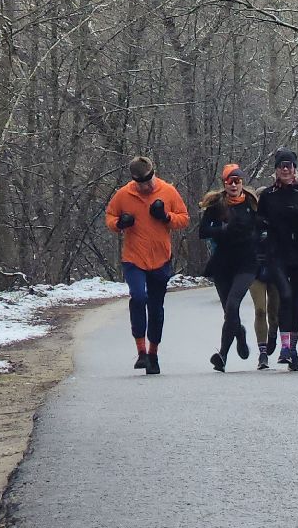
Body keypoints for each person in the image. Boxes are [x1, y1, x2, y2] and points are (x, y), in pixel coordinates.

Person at [105, 155, 190, 375]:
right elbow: (110, 216)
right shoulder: (124, 194)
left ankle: (153, 354)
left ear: (154, 173)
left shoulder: (168, 191)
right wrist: (119, 223)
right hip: (134, 259)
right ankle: (141, 351)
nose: (146, 186)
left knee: (155, 307)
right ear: (134, 180)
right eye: (141, 182)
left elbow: (184, 218)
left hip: (161, 259)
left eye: (149, 180)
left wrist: (166, 217)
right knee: (139, 297)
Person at [257, 148, 298, 372]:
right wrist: (263, 228)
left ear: (295, 169)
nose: (286, 170)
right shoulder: (267, 195)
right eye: (281, 166)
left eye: (289, 166)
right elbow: (258, 222)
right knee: (284, 295)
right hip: (277, 254)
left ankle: (292, 350)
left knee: (294, 301)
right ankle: (285, 348)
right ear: (275, 170)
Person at [198, 164, 261, 372]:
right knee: (229, 311)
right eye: (229, 181)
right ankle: (240, 334)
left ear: (242, 182)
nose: (234, 185)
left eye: (237, 180)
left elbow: (264, 226)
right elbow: (203, 231)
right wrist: (223, 229)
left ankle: (222, 355)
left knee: (233, 305)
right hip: (223, 264)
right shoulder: (216, 205)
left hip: (246, 263)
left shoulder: (252, 204)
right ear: (224, 183)